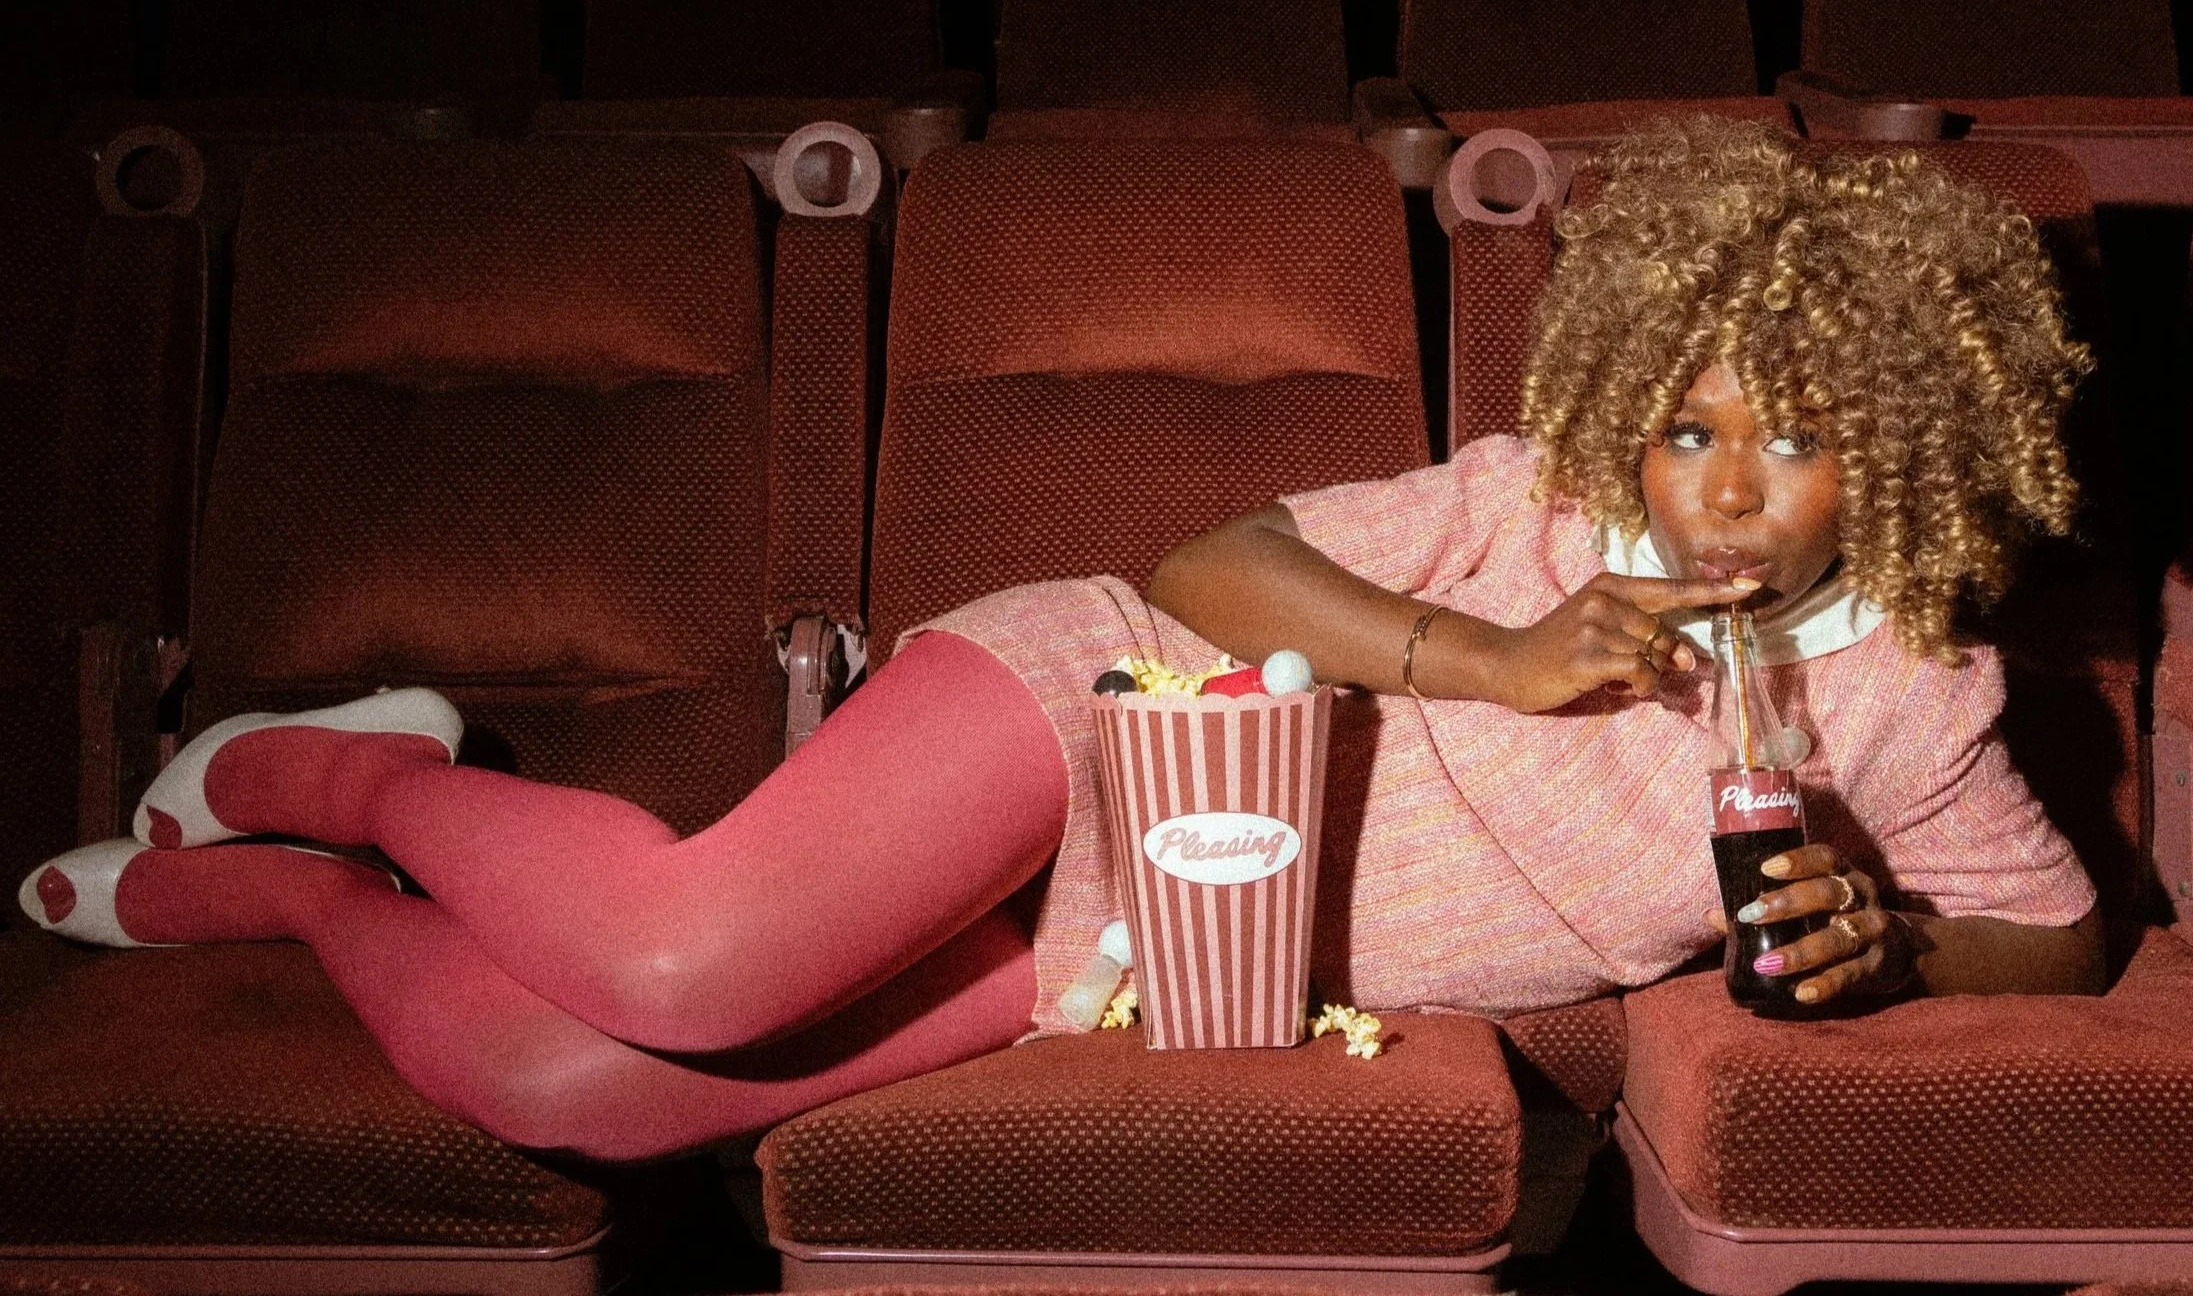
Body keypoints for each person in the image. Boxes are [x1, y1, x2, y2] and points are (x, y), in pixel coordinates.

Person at [19, 118, 2105, 1162]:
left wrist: (1898, 936)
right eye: (1685, 422)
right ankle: (361, 763)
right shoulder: (1532, 504)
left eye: (1800, 441)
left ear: (1912, 453)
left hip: (1153, 950)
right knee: (678, 959)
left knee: (575, 1084)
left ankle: (288, 896)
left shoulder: (1914, 686)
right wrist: (1486, 651)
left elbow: (2060, 922)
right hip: (1100, 718)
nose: (1715, 486)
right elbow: (1208, 562)